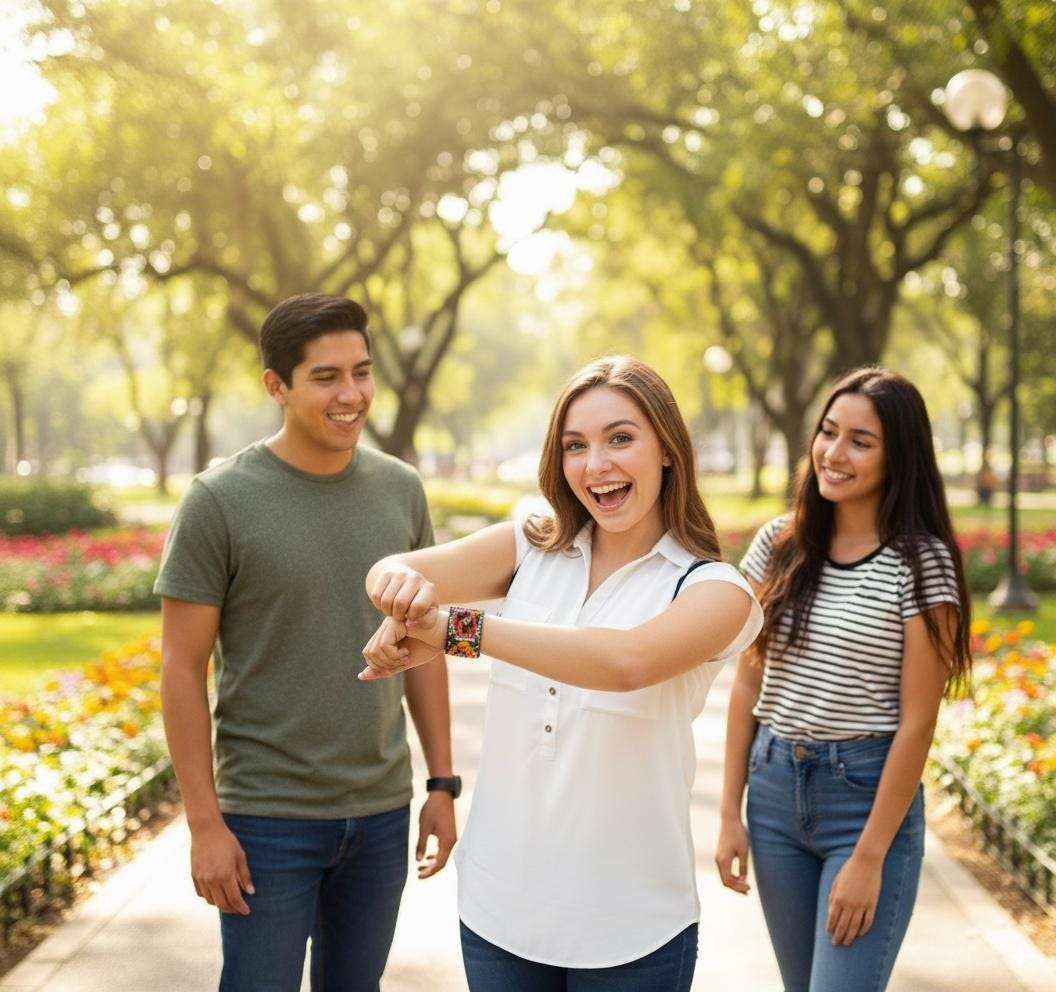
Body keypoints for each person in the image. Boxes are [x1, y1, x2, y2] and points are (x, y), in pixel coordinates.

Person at [359, 356, 763, 991]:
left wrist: (453, 633)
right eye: (576, 445)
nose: (596, 464)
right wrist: (404, 597)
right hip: (499, 913)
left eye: (620, 438)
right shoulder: (531, 547)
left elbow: (624, 663)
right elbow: (387, 568)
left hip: (633, 928)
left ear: (667, 450)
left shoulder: (715, 590)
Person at [155, 293, 458, 992]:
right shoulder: (219, 500)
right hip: (266, 817)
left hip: (381, 812)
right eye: (326, 377)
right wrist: (205, 825)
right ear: (276, 386)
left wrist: (441, 781)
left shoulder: (401, 490)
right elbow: (180, 669)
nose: (351, 394)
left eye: (361, 371)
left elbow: (427, 643)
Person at [714, 366, 972, 992]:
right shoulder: (779, 543)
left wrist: (870, 856)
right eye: (828, 432)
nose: (834, 452)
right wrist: (729, 810)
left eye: (861, 440)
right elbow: (749, 684)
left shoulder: (922, 562)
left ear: (899, 457)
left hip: (863, 801)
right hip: (773, 794)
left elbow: (919, 720)